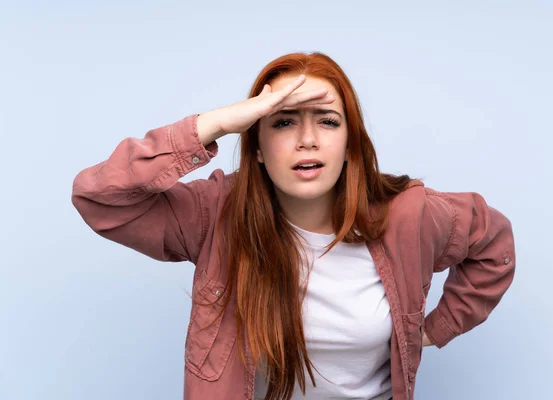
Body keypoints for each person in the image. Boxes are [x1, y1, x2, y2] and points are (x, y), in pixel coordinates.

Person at [72, 52, 516, 400]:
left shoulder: (409, 215)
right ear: (258, 147)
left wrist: (434, 329)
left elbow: (494, 246)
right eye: (283, 122)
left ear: (350, 146)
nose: (308, 138)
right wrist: (218, 123)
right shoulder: (214, 213)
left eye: (327, 121)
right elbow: (98, 198)